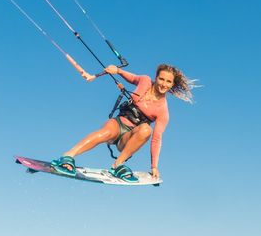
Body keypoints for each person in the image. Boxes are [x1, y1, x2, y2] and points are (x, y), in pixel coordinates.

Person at [50, 64, 194, 182]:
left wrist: (154, 166)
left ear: (172, 84)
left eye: (168, 81)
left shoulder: (163, 111)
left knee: (146, 130)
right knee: (105, 133)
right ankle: (68, 156)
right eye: (161, 79)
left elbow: (156, 139)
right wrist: (117, 70)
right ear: (156, 78)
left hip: (128, 138)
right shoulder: (144, 81)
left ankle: (117, 165)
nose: (163, 84)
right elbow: (131, 77)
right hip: (118, 124)